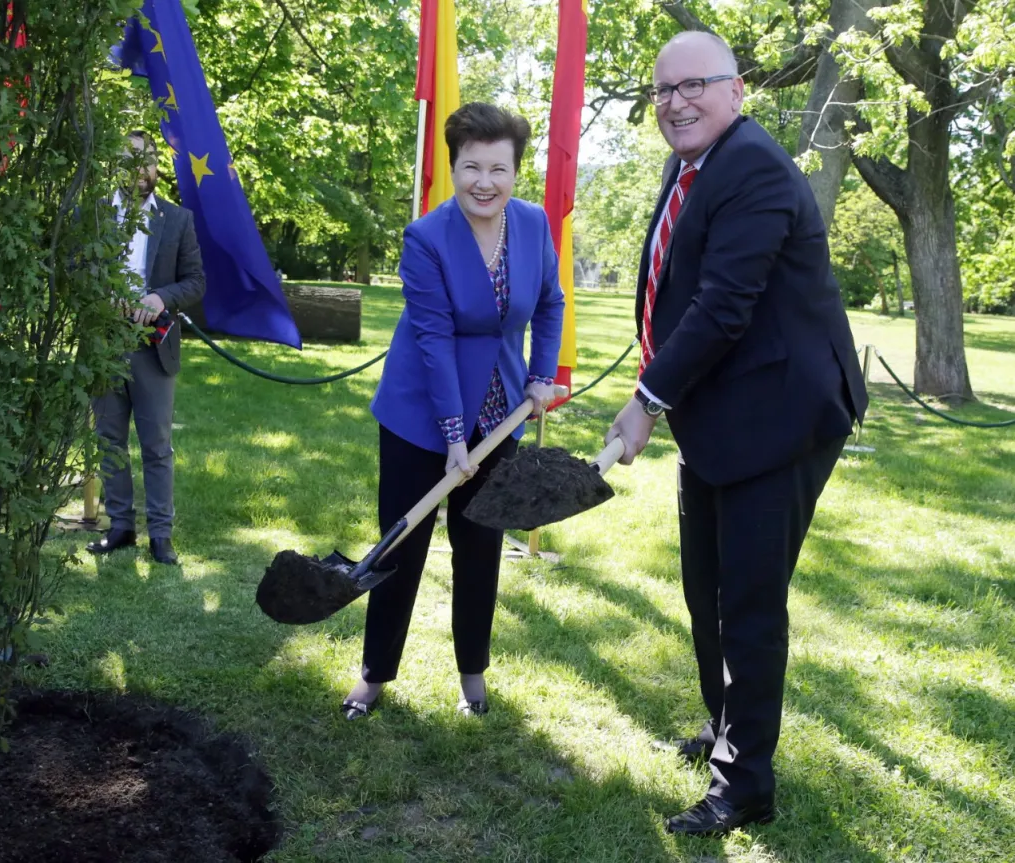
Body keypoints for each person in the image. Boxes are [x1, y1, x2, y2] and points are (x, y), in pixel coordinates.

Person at [605, 32, 868, 835]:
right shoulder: (691, 165)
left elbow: (723, 304)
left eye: (694, 86)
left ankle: (745, 782)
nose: (676, 102)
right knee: (705, 589)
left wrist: (646, 400)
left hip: (781, 414)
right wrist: (658, 378)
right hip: (720, 410)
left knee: (748, 602)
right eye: (662, 92)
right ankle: (726, 733)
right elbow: (676, 289)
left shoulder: (750, 164)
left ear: (738, 91)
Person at [344, 102, 566, 721]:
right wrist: (450, 437)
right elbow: (435, 340)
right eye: (472, 167)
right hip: (422, 413)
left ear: (516, 171)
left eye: (499, 168)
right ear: (453, 167)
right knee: (402, 544)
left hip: (500, 411)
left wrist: (541, 376)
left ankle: (473, 674)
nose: (484, 182)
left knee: (481, 543)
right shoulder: (426, 238)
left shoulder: (531, 224)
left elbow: (550, 301)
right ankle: (374, 674)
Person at [87, 131, 206, 566]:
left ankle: (161, 535)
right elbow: (76, 272)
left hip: (153, 346)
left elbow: (195, 281)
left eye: (149, 160)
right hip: (103, 342)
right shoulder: (95, 217)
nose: (142, 169)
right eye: (131, 160)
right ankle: (120, 527)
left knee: (156, 443)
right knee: (109, 439)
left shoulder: (177, 220)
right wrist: (105, 298)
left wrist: (159, 298)